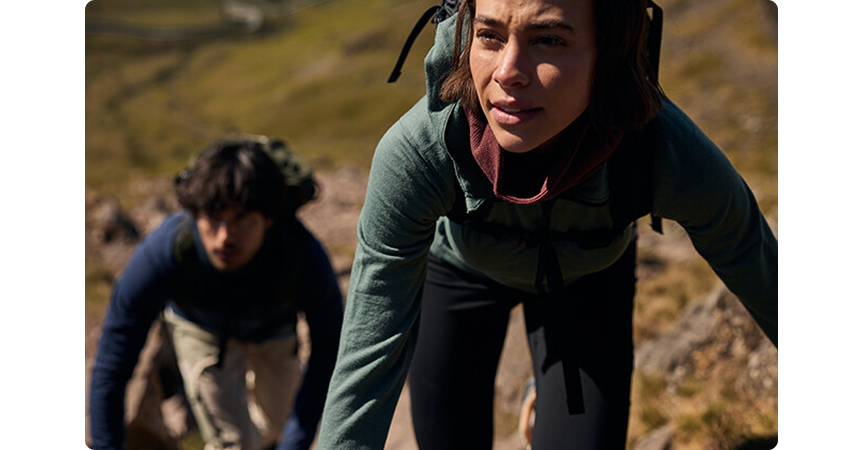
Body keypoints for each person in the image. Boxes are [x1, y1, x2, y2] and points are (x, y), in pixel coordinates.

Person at [316, 0, 777, 448]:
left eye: (550, 39)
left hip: (588, 276)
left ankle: (543, 395)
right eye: (489, 36)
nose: (508, 72)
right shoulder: (422, 151)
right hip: (461, 269)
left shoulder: (662, 154)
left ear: (610, 50)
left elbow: (754, 260)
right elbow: (367, 360)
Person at [89, 136, 344, 450]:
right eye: (213, 218)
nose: (225, 237)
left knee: (279, 425)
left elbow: (328, 349)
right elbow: (113, 362)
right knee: (234, 441)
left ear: (269, 219)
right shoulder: (164, 253)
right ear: (195, 213)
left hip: (275, 332)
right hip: (202, 329)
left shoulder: (301, 254)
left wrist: (296, 442)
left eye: (242, 220)